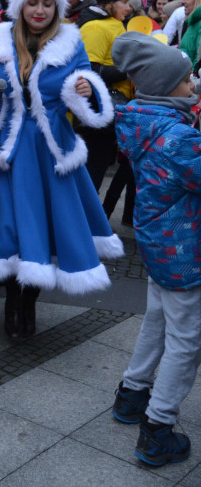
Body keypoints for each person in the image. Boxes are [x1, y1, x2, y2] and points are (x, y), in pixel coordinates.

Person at [0, 0, 124, 341]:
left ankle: (29, 302)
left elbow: (88, 87)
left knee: (43, 228)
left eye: (47, 4)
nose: (40, 10)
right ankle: (11, 301)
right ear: (20, 5)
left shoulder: (72, 42)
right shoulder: (0, 41)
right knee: (10, 231)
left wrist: (86, 91)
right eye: (33, 3)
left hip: (50, 150)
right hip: (7, 150)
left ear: (57, 8)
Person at [110, 32, 200, 467]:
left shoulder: (141, 121)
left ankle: (132, 393)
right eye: (186, 81)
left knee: (156, 321)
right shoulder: (180, 137)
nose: (192, 86)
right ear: (167, 88)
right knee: (186, 340)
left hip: (157, 244)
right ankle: (157, 428)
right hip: (185, 253)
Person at [78, 0, 133, 191]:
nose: (129, 8)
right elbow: (90, 70)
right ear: (110, 3)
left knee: (101, 165)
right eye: (124, 2)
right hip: (98, 109)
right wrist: (130, 70)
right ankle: (87, 221)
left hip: (111, 107)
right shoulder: (95, 27)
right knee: (94, 167)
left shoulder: (114, 23)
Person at [179, 0, 201, 71]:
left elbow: (199, 59)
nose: (182, 2)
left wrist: (190, 79)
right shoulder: (192, 23)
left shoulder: (199, 24)